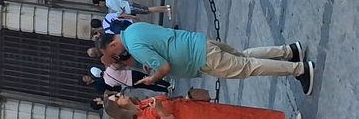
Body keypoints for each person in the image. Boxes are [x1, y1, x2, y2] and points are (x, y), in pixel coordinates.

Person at [97, 23, 315, 95]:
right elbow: (161, 43)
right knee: (243, 55)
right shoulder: (133, 29)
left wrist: (153, 79)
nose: (116, 57)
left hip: (200, 58)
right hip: (198, 43)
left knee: (248, 67)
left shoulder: (133, 46)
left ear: (114, 45)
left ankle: (300, 69)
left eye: (113, 54)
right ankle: (288, 51)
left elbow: (163, 67)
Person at [104, 91, 299, 119]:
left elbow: (169, 99)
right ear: (119, 109)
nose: (120, 94)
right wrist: (162, 111)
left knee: (243, 113)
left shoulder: (143, 102)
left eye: (117, 93)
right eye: (117, 98)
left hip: (198, 108)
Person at [93, 65, 171, 93]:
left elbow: (116, 85)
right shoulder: (109, 69)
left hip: (131, 83)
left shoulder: (107, 82)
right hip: (132, 74)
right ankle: (168, 84)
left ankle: (166, 90)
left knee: (149, 87)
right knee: (150, 78)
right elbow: (119, 66)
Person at [92, 0, 172, 20]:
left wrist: (117, 14)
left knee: (148, 10)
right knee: (148, 10)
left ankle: (166, 10)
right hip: (129, 6)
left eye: (98, 4)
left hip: (130, 8)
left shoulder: (109, 3)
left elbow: (120, 10)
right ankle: (165, 8)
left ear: (100, 2)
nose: (100, 6)